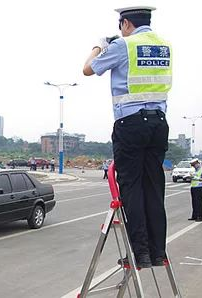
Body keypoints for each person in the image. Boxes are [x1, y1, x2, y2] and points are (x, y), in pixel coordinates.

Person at [83, 6, 172, 268]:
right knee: (154, 188)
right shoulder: (165, 47)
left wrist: (99, 46)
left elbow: (88, 69)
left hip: (131, 124)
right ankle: (158, 252)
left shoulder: (124, 45)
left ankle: (139, 253)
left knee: (131, 187)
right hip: (159, 123)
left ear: (125, 24)